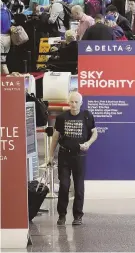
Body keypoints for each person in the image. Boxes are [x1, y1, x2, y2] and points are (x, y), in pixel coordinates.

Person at [48, 92, 98, 226]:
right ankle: (62, 215)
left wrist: (88, 143)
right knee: (64, 185)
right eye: (71, 102)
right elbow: (55, 138)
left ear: (81, 103)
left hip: (79, 156)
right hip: (64, 155)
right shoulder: (62, 118)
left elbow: (95, 133)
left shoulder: (87, 116)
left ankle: (77, 216)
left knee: (79, 186)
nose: (74, 105)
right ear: (68, 102)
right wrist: (50, 155)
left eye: (76, 102)